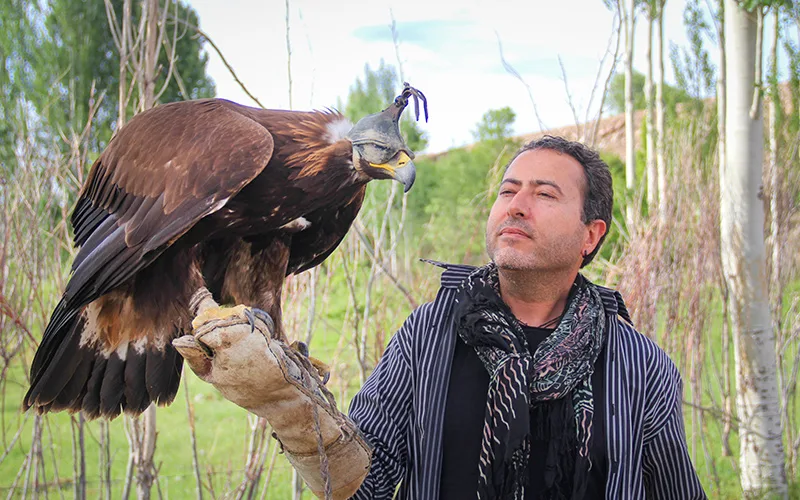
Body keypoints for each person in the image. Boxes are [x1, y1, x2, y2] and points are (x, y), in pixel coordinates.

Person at [178, 136, 707, 499]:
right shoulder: (429, 335)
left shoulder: (639, 366)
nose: (516, 205)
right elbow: (365, 483)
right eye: (508, 190)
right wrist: (295, 414)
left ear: (591, 235)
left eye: (545, 194)